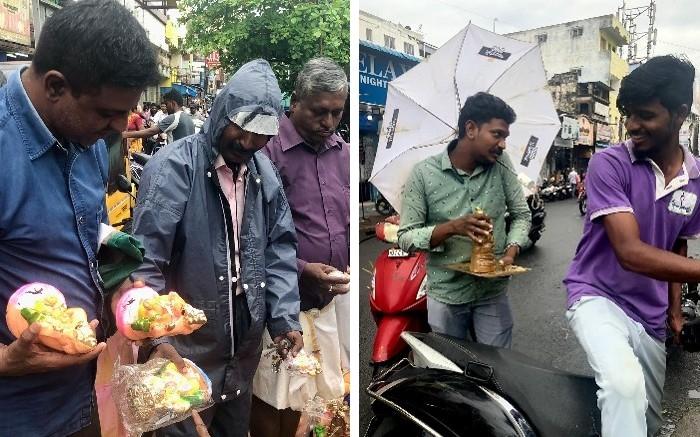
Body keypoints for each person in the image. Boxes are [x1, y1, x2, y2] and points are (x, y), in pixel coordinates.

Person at [0, 1, 180, 436]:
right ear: (57, 86)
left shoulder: (90, 143)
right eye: (106, 113)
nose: (121, 128)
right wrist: (4, 361)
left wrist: (138, 310)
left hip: (79, 402)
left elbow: (96, 241)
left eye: (126, 111)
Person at [129, 59, 303, 437]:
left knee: (232, 428)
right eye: (241, 130)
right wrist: (158, 339)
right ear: (223, 112)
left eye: (260, 137)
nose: (248, 143)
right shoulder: (174, 167)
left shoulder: (263, 174)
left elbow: (279, 249)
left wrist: (285, 317)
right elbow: (144, 264)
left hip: (243, 340)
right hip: (184, 344)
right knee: (182, 428)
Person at [563, 55, 700, 437]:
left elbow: (676, 248)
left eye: (645, 115)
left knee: (649, 422)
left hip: (651, 314)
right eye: (628, 114)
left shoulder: (696, 180)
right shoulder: (609, 163)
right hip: (598, 295)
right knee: (623, 385)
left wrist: (675, 311)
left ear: (680, 114)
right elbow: (630, 251)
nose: (632, 126)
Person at [253, 57, 351, 437]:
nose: (328, 122)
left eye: (336, 113)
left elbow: (340, 222)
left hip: (326, 300)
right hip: (280, 299)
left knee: (303, 389)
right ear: (295, 103)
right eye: (319, 112)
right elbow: (253, 234)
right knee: (270, 391)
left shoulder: (341, 151)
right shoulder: (268, 153)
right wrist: (300, 268)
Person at [397, 92, 531, 348]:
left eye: (505, 137)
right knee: (453, 370)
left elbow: (521, 214)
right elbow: (405, 238)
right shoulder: (424, 174)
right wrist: (452, 228)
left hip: (492, 292)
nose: (503, 144)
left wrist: (511, 253)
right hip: (447, 294)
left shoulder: (502, 165)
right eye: (497, 134)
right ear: (471, 128)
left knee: (499, 369)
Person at [123, 89, 195, 144]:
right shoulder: (188, 118)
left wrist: (125, 134)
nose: (166, 107)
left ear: (173, 103)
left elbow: (151, 132)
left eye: (167, 104)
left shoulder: (174, 117)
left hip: (176, 159)